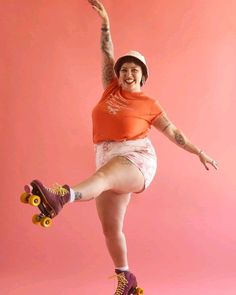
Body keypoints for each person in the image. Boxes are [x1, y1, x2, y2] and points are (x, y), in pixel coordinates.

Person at [23, 0, 218, 294]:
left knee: (102, 180)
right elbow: (106, 51)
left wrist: (198, 151)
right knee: (110, 228)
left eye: (134, 71)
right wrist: (105, 21)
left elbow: (174, 132)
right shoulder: (110, 88)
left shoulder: (150, 105)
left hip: (136, 157)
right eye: (124, 69)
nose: (128, 74)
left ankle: (61, 196)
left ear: (143, 76)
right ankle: (126, 278)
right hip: (106, 155)